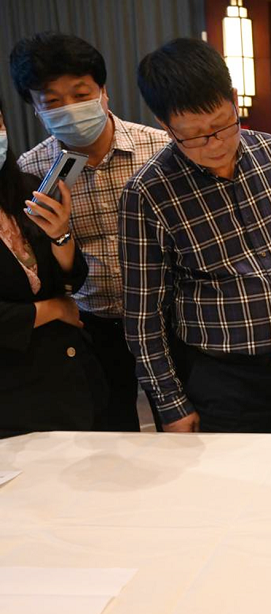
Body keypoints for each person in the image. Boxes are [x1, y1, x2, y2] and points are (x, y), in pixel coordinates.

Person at [119, 38, 271, 434]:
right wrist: (170, 403)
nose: (215, 144)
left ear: (234, 101)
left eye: (222, 125)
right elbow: (143, 315)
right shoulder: (148, 193)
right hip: (222, 379)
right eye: (195, 135)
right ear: (166, 126)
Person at [10, 32, 170, 431]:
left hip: (166, 318)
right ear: (35, 109)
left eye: (81, 94)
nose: (69, 108)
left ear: (103, 92)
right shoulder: (32, 173)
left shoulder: (160, 150)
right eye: (52, 102)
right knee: (109, 436)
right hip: (92, 325)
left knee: (184, 430)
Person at [0, 95, 106, 435]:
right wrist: (54, 309)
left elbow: (71, 280)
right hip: (12, 393)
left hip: (70, 373)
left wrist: (61, 235)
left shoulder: (27, 190)